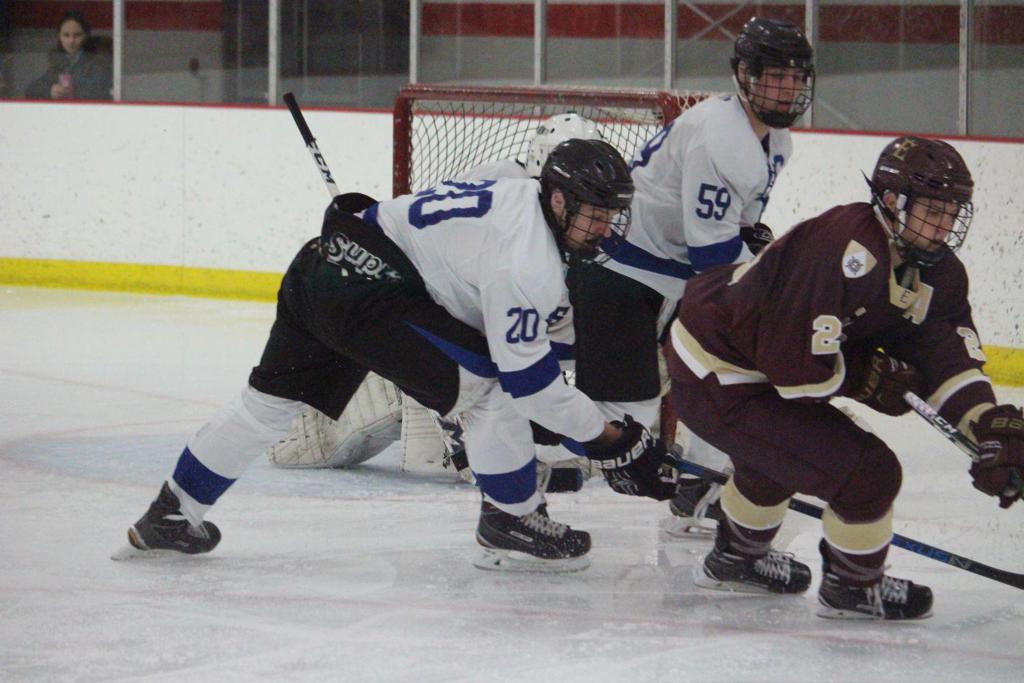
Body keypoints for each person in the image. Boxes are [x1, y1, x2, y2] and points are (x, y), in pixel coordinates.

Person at [117, 139, 680, 572]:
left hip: (323, 263)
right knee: (489, 388)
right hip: (369, 297)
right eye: (594, 215)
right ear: (558, 200)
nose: (604, 229)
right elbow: (529, 388)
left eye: (611, 215)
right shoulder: (528, 261)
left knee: (265, 406)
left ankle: (170, 514)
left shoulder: (512, 189)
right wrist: (615, 442)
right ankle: (511, 519)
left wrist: (600, 438)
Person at [665, 135, 1023, 619]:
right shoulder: (842, 247)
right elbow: (791, 368)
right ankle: (852, 587)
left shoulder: (940, 272)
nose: (944, 225)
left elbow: (945, 356)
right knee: (867, 473)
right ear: (892, 202)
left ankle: (736, 559)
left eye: (952, 212)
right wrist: (863, 380)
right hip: (714, 369)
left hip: (752, 362)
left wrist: (986, 424)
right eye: (932, 210)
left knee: (777, 458)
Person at [266, 112, 605, 496]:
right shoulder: (505, 187)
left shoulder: (550, 210)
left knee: (506, 362)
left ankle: (485, 448)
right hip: (414, 323)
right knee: (471, 380)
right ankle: (465, 450)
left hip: (438, 325)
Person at [564, 17, 815, 531]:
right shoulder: (720, 136)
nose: (787, 89)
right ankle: (504, 446)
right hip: (622, 272)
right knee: (621, 428)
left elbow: (736, 233)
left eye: (795, 77)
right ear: (744, 76)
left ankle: (699, 486)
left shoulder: (776, 143)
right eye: (775, 76)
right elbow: (714, 261)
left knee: (726, 369)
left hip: (667, 274)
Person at [24, 11, 111, 101]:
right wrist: (49, 91)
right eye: (66, 35)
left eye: (77, 35)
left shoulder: (97, 61)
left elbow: (101, 92)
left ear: (86, 36)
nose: (71, 41)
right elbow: (31, 90)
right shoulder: (58, 62)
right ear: (60, 37)